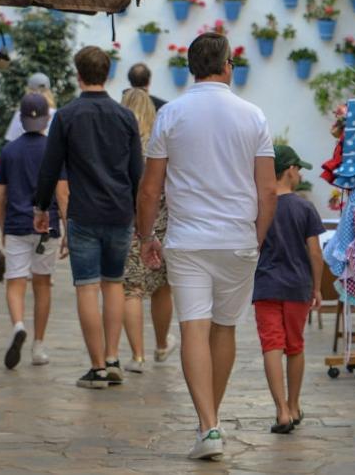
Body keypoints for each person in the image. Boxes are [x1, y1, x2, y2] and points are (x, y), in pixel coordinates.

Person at [136, 32, 277, 461]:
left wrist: (145, 238)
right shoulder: (253, 115)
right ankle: (209, 421)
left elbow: (150, 189)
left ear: (191, 68)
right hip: (237, 238)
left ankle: (208, 425)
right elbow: (268, 189)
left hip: (187, 239)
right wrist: (257, 236)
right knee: (225, 327)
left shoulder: (171, 115)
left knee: (192, 327)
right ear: (227, 65)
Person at [35, 47, 143, 390]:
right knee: (114, 284)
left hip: (84, 211)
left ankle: (96, 367)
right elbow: (137, 171)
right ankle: (113, 359)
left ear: (78, 74)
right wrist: (141, 214)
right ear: (108, 74)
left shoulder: (67, 116)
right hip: (120, 211)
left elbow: (51, 167)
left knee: (86, 287)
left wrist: (41, 208)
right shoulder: (126, 117)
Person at [253, 145, 324, 435]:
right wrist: (317, 288)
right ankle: (294, 406)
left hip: (266, 285)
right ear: (290, 170)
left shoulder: (259, 206)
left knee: (272, 345)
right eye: (299, 169)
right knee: (295, 347)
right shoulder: (304, 207)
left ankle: (280, 410)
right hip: (297, 287)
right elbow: (315, 253)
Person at [0, 92, 66, 369]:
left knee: (15, 281)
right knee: (42, 284)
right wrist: (67, 228)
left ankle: (18, 326)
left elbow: (0, 195)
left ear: (22, 120)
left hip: (16, 224)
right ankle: (38, 345)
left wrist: (2, 226)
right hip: (47, 225)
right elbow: (62, 193)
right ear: (47, 120)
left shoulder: (10, 150)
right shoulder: (54, 150)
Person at [118, 87, 175, 374]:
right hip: (161, 222)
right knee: (162, 288)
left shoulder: (118, 144)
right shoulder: (159, 144)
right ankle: (162, 344)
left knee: (132, 290)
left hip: (128, 223)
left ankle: (137, 356)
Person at [5, 72, 54, 142]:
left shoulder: (20, 113)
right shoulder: (57, 114)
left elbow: (12, 140)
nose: (39, 93)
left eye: (42, 91)